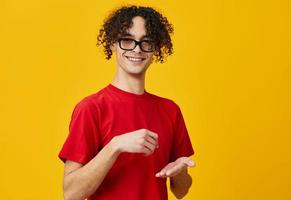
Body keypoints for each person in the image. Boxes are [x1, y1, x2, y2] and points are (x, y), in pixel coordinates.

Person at [58, 5, 196, 200]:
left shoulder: (170, 110)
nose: (136, 50)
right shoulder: (92, 108)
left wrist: (179, 173)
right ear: (113, 44)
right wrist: (115, 146)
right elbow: (71, 194)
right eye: (127, 40)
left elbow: (181, 191)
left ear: (155, 48)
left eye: (146, 42)